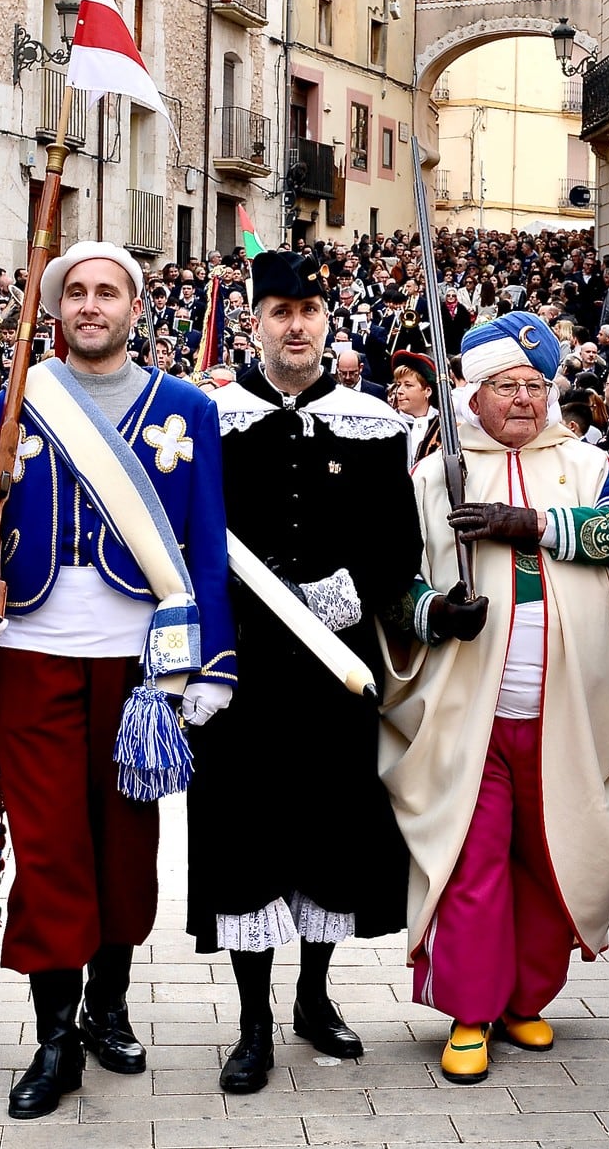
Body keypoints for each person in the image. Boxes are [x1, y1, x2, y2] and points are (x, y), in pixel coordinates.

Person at [0, 241, 236, 1121]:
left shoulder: (186, 407)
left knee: (124, 843)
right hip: (31, 651)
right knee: (48, 845)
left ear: (135, 307)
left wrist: (212, 662)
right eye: (74, 292)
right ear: (56, 307)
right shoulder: (14, 402)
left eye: (107, 291)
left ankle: (108, 1005)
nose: (90, 304)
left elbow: (208, 543)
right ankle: (53, 1038)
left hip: (139, 667)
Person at [381, 311, 609, 1085]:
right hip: (471, 712)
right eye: (509, 386)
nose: (527, 400)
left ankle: (523, 998)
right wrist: (435, 612)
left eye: (538, 384)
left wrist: (532, 523)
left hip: (567, 708)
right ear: (473, 392)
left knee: (546, 857)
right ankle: (471, 1010)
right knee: (474, 862)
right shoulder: (436, 474)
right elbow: (393, 580)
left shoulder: (588, 465)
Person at [192, 249, 420, 1092]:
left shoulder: (374, 424)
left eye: (309, 310)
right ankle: (252, 1021)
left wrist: (345, 594)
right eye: (280, 310)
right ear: (256, 320)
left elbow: (400, 545)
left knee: (331, 828)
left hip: (336, 667)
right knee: (245, 832)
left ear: (328, 319)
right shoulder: (211, 419)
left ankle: (314, 996)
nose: (296, 325)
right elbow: (188, 541)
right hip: (241, 667)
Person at [389, 350, 441, 467]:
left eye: (408, 385)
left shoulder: (442, 427)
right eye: (398, 385)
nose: (400, 391)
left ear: (427, 391)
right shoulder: (390, 425)